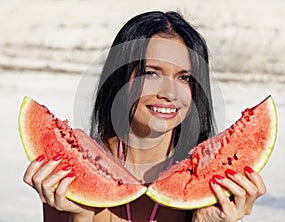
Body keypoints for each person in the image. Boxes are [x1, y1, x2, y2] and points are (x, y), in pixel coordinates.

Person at [23, 11, 266, 222]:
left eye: (184, 78)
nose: (170, 93)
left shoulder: (215, 185)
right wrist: (80, 215)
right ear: (119, 79)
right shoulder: (69, 176)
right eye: (151, 74)